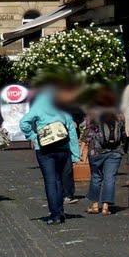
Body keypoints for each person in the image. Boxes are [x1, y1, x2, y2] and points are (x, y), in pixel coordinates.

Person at [20, 82, 80, 225]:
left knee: (50, 181)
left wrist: (33, 137)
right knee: (59, 180)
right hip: (63, 147)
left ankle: (55, 215)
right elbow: (71, 129)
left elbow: (23, 122)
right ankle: (60, 211)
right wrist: (75, 154)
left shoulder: (39, 105)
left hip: (45, 148)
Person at [83, 88, 125, 215]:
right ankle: (106, 207)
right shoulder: (119, 113)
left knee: (96, 177)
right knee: (110, 178)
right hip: (115, 150)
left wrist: (83, 148)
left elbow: (87, 133)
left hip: (96, 151)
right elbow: (123, 134)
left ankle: (95, 206)